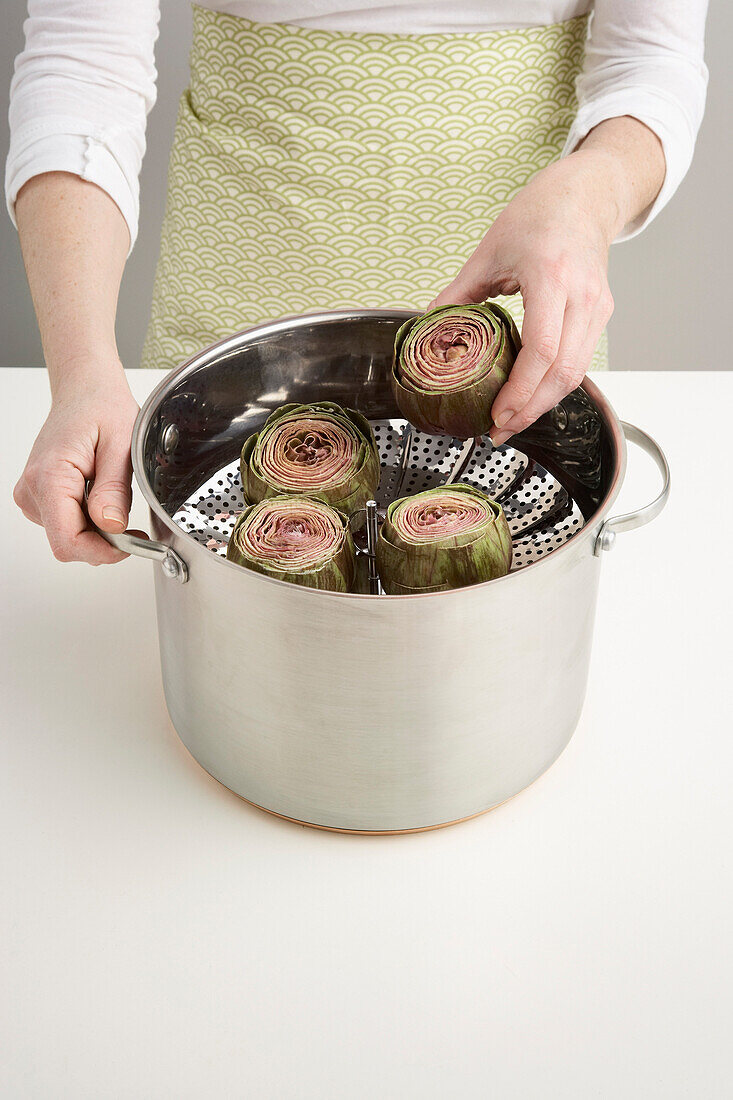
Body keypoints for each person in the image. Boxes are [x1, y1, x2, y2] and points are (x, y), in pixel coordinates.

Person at [8, 1, 707, 565]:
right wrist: (80, 374)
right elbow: (83, 69)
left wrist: (586, 198)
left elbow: (650, 62)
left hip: (528, 330)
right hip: (228, 337)